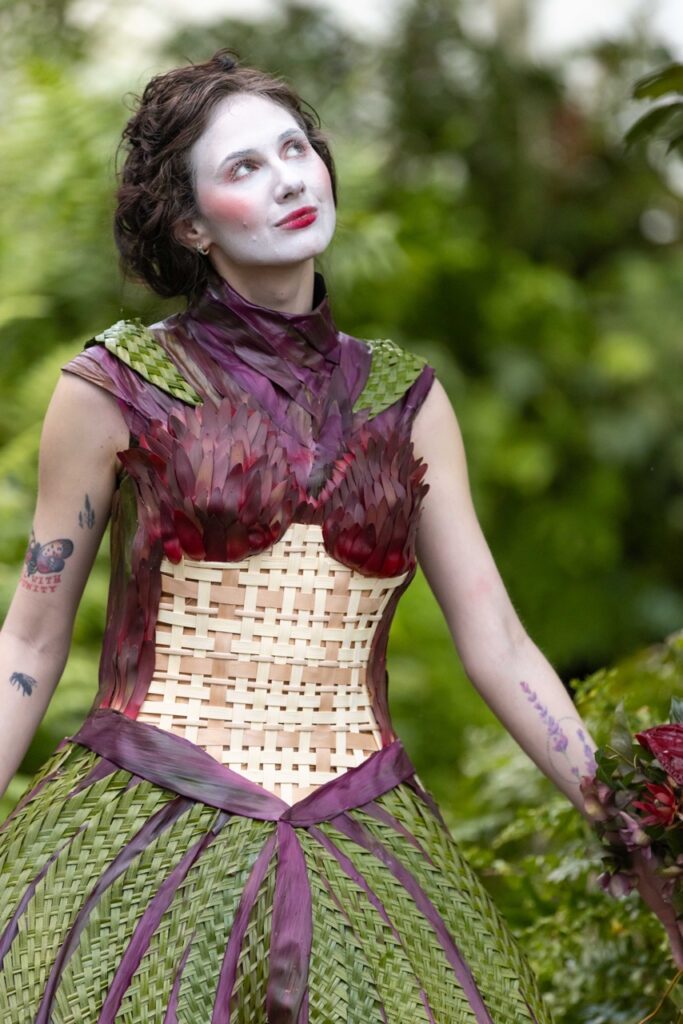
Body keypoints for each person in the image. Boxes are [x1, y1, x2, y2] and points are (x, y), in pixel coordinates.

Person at [0, 49, 679, 1023]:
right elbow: (29, 643)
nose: (287, 178)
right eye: (243, 167)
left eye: (295, 149)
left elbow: (495, 639)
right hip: (152, 825)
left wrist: (616, 811)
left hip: (361, 833)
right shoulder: (115, 388)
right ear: (190, 224)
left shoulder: (406, 399)